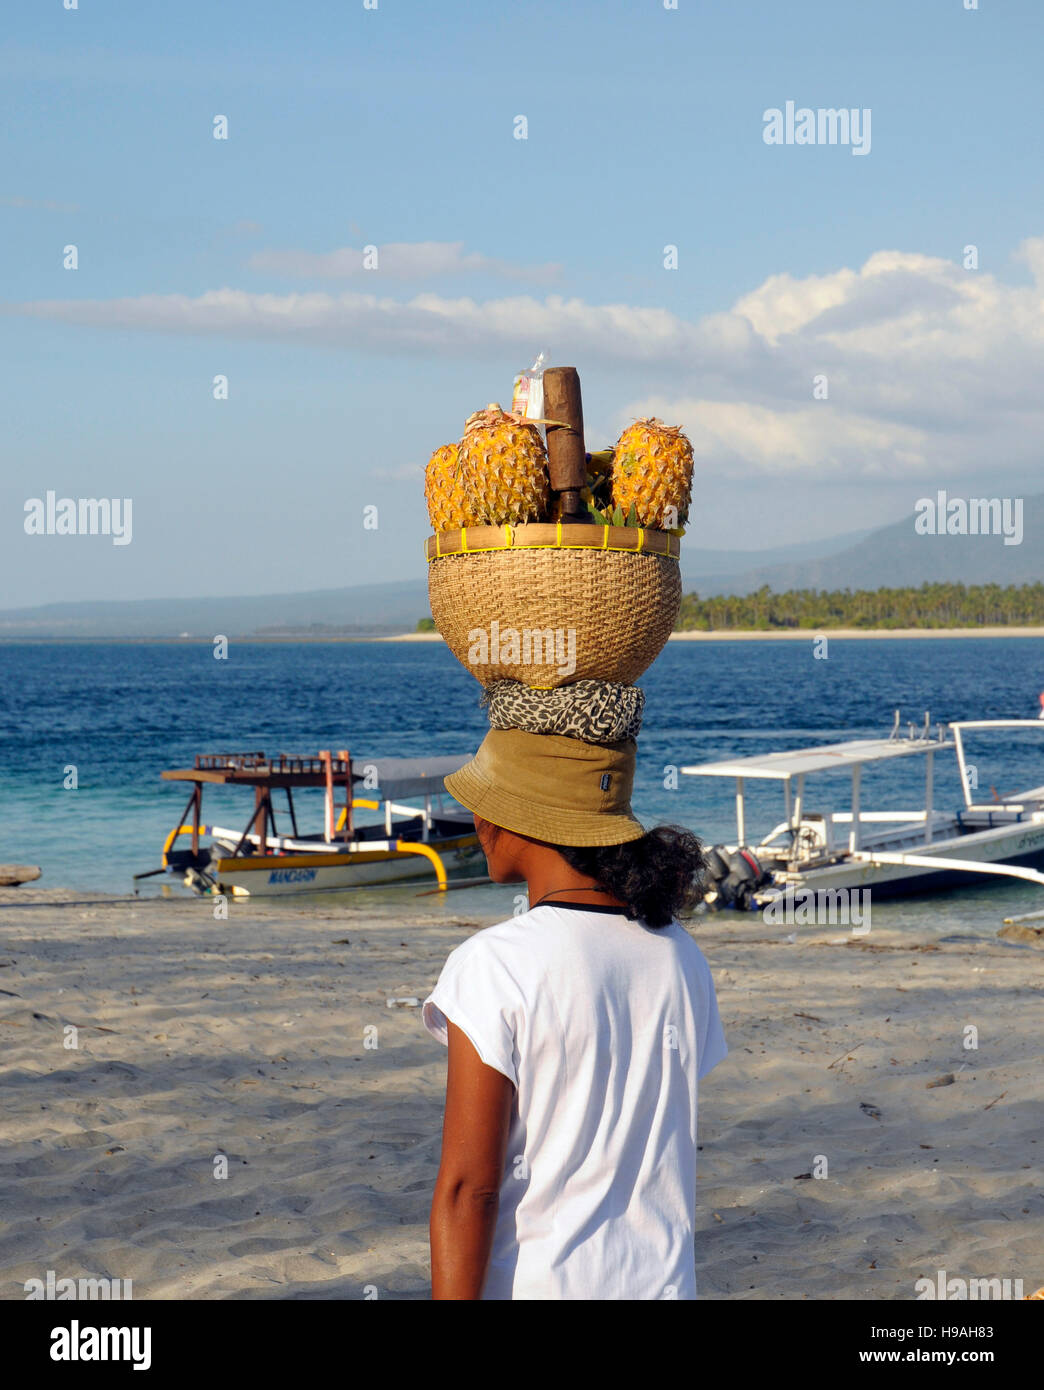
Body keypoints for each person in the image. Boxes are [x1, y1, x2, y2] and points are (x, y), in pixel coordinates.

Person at [423, 727, 728, 1300]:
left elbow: (470, 1190)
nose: (475, 822)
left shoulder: (494, 964)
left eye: (483, 805)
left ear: (526, 818)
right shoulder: (681, 955)